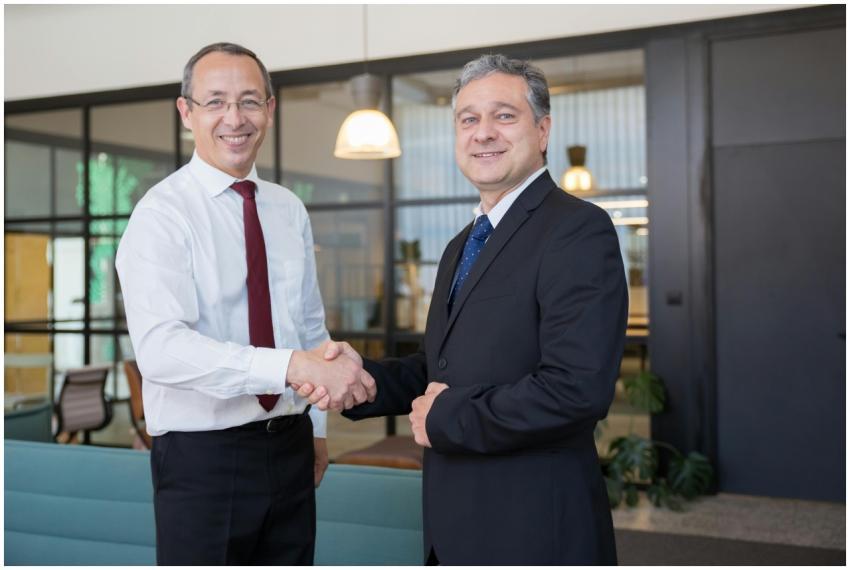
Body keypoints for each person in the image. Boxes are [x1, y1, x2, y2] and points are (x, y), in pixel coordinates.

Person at [303, 54, 628, 564]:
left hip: (532, 526)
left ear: (542, 131)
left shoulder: (576, 230)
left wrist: (447, 416)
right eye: (468, 119)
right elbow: (440, 366)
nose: (483, 133)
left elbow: (576, 389)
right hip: (453, 523)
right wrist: (357, 378)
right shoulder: (462, 243)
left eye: (504, 116)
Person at [115, 42, 374, 565]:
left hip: (291, 445)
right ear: (186, 112)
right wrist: (287, 367)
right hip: (202, 459)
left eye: (250, 101)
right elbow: (162, 349)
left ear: (270, 111)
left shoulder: (287, 208)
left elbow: (308, 327)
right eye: (215, 102)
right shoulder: (161, 215)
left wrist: (317, 428)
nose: (235, 118)